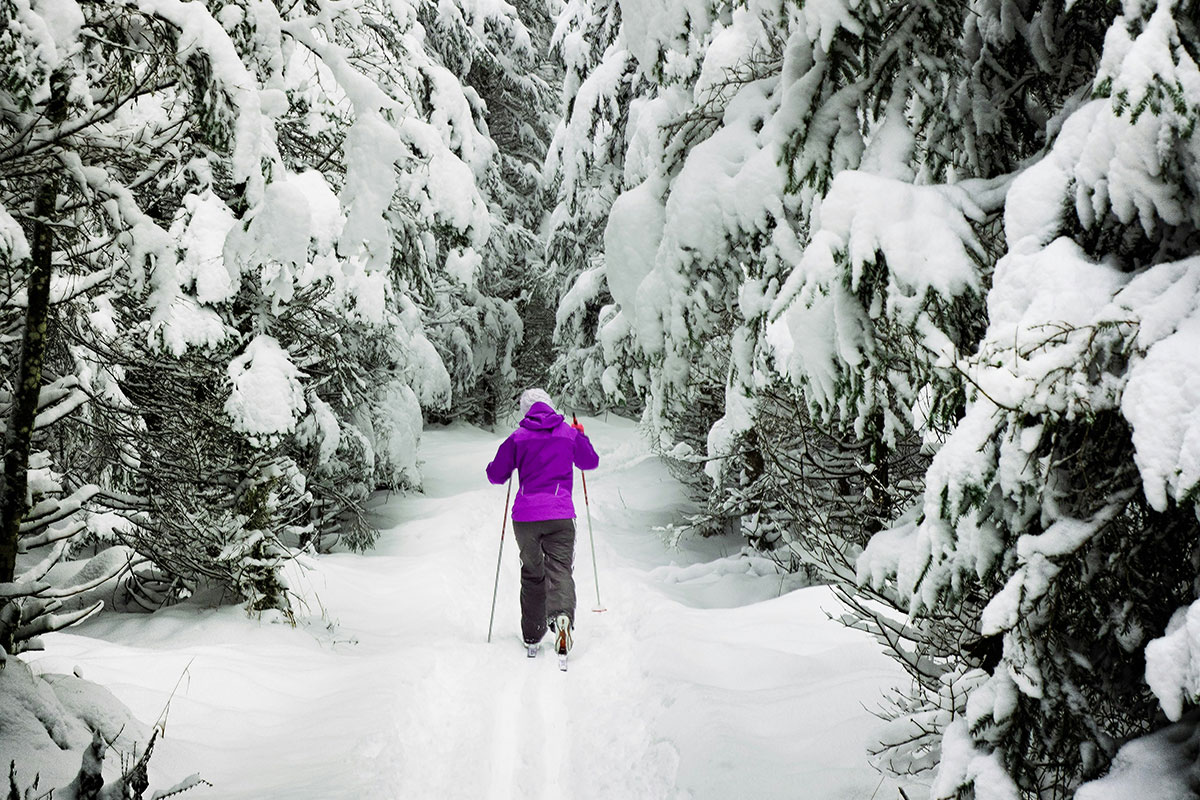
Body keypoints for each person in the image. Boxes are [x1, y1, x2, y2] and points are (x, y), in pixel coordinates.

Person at [486, 388, 599, 656]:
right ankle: (562, 618)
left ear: (526, 411)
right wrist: (580, 435)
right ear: (550, 406)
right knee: (560, 569)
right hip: (560, 515)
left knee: (533, 573)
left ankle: (533, 635)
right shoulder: (568, 433)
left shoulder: (518, 437)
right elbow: (590, 461)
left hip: (525, 518)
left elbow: (495, 475)